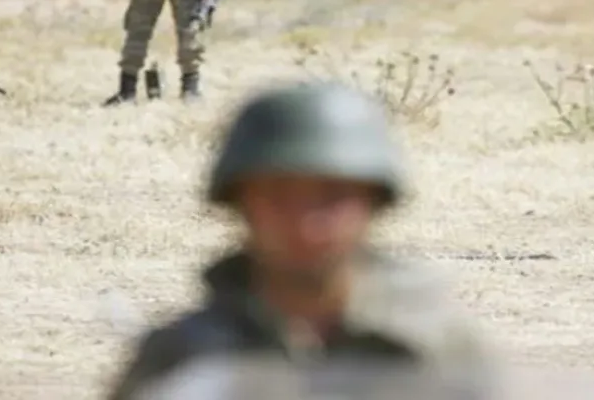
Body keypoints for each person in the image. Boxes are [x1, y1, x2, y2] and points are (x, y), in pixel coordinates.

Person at [105, 82, 495, 399]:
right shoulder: (183, 358)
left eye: (333, 196)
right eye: (279, 196)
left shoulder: (440, 351)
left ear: (375, 203)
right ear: (238, 203)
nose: (307, 222)